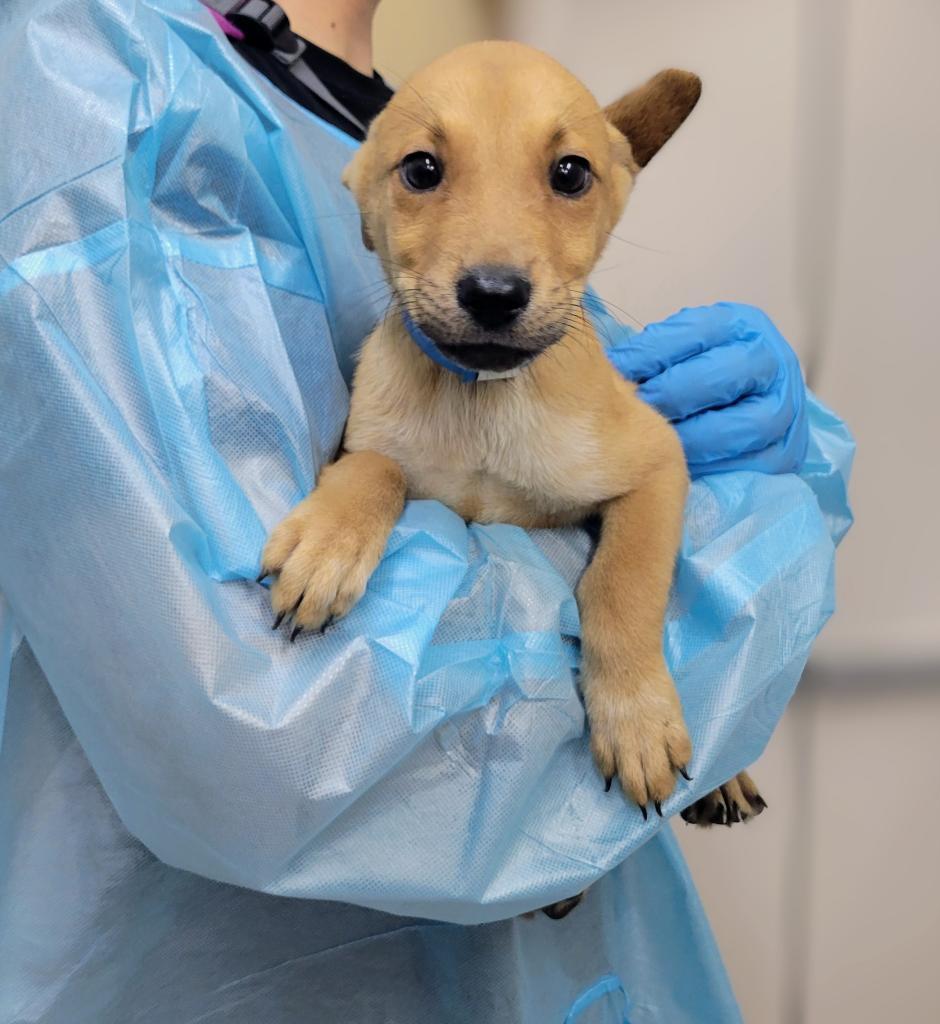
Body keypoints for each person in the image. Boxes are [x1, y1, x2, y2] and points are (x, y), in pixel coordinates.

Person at [0, 1, 854, 1021]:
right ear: (370, 195)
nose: (492, 248)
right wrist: (738, 578)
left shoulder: (388, 117)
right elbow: (263, 715)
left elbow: (616, 473)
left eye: (570, 176)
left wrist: (764, 487)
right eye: (422, 172)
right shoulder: (92, 86)